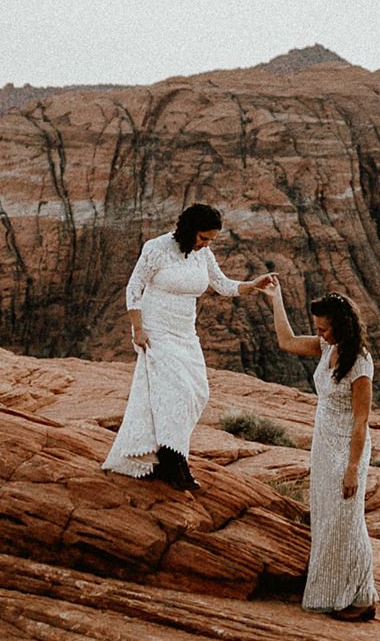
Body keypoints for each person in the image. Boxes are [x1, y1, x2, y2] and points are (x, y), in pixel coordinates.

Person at [102, 203, 267, 490]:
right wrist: (137, 329)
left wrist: (253, 284)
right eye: (203, 238)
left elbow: (223, 285)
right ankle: (172, 462)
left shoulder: (204, 255)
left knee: (197, 392)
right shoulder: (157, 248)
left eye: (211, 240)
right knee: (174, 393)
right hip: (157, 331)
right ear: (190, 230)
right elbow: (134, 288)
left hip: (185, 333)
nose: (206, 245)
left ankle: (169, 455)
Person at [263, 279, 377, 620]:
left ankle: (361, 597)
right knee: (328, 521)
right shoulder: (328, 348)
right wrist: (276, 299)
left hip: (347, 449)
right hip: (323, 445)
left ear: (340, 326)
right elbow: (286, 342)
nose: (321, 335)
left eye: (325, 329)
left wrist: (353, 468)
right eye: (318, 329)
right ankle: (344, 592)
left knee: (348, 521)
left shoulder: (360, 364)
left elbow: (361, 422)